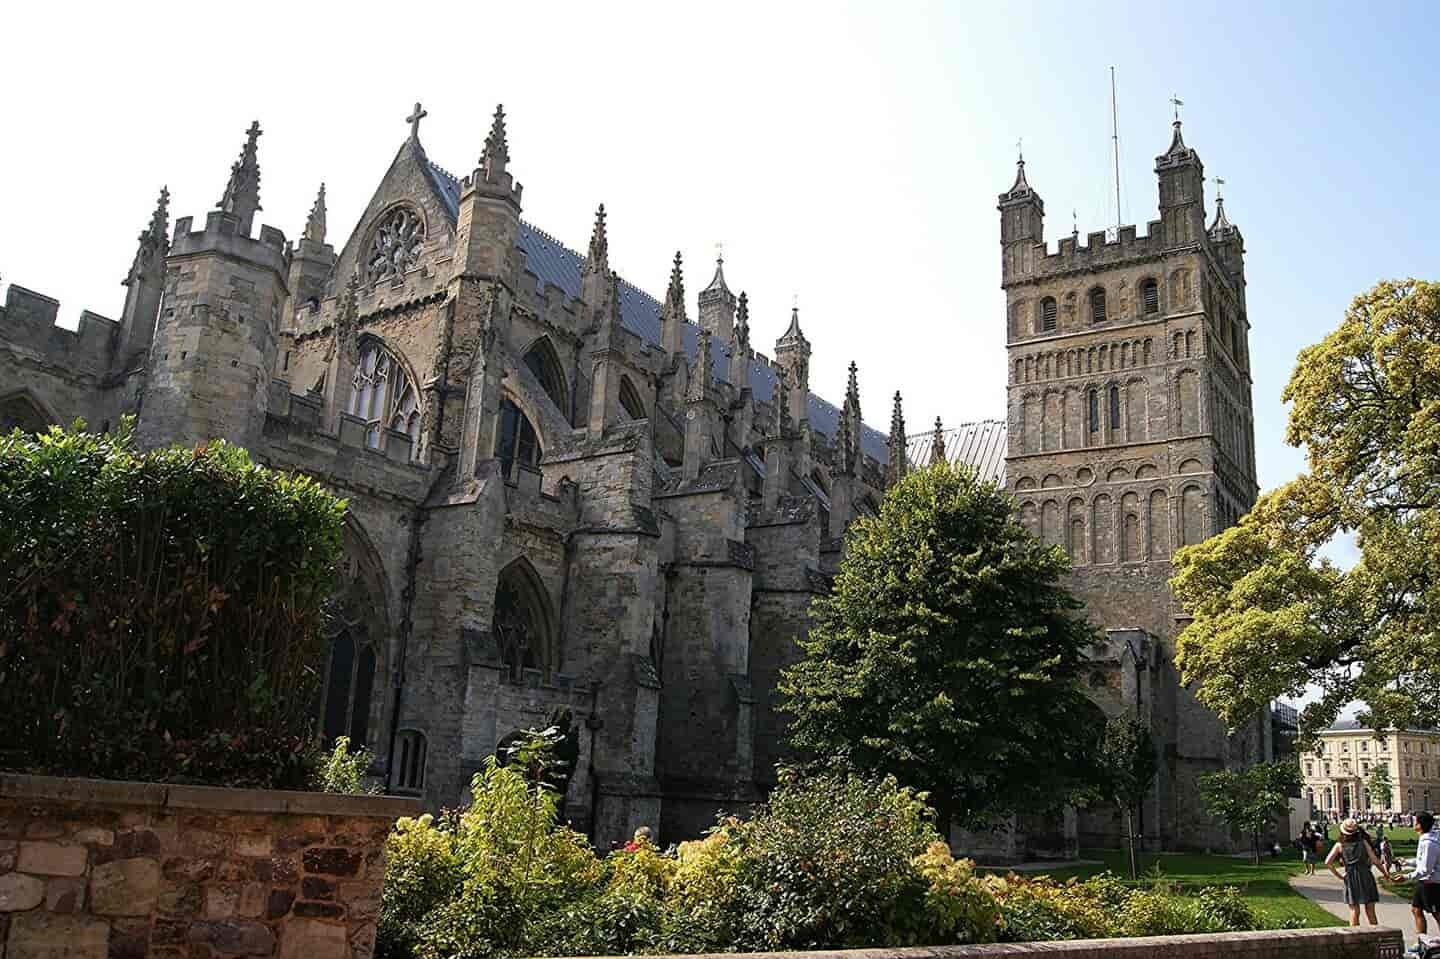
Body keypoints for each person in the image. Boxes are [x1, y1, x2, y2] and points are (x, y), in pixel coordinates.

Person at [1326, 818, 1393, 927]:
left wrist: (1340, 876)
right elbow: (1375, 861)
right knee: (1370, 911)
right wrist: (1385, 874)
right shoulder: (1363, 842)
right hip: (1365, 874)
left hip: (1351, 877)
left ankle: (1355, 937)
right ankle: (1376, 936)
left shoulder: (1340, 845)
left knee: (1354, 911)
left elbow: (1328, 862)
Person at [1408, 812, 1440, 946]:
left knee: (1437, 913)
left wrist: (1407, 876)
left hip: (1431, 882)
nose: (1413, 824)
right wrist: (1407, 862)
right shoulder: (1425, 839)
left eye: (1415, 822)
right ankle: (1422, 941)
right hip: (1424, 882)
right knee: (1416, 909)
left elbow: (1426, 869)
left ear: (1420, 825)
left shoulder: (1429, 843)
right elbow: (1423, 861)